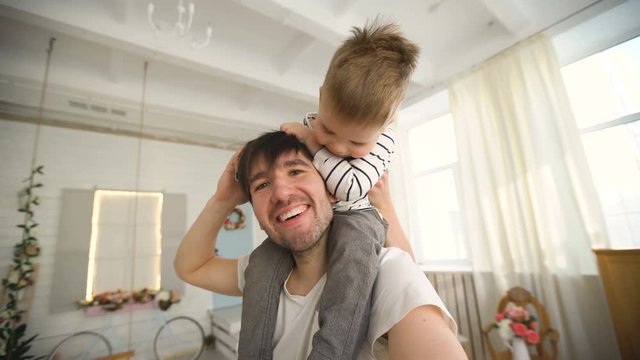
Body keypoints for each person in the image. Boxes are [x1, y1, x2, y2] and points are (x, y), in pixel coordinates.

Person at [174, 131, 468, 359]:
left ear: (331, 190)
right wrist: (222, 200)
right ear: (258, 216)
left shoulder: (386, 271)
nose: (281, 193)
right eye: (262, 185)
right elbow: (191, 267)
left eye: (296, 171)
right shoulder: (258, 273)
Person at [241, 19, 420, 359]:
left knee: (351, 270)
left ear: (384, 127)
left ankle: (332, 351)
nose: (337, 147)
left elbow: (350, 186)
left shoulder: (384, 143)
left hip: (357, 217)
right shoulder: (317, 118)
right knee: (261, 261)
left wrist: (311, 137)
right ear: (321, 98)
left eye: (355, 142)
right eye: (328, 129)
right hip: (321, 219)